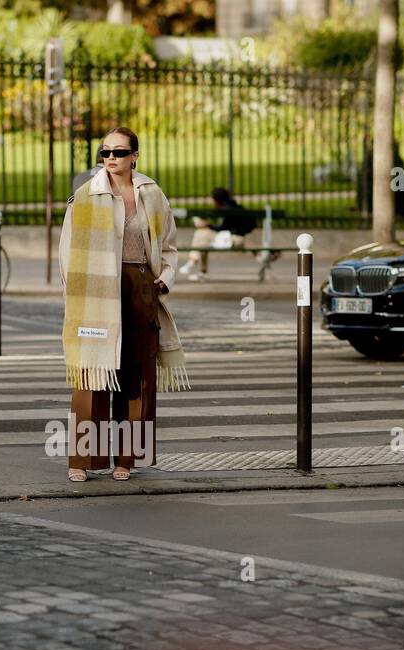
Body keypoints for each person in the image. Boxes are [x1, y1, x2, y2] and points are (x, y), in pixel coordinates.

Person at [59, 126, 189, 484]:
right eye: (105, 152)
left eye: (118, 152)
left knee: (136, 377)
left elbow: (171, 246)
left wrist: (164, 279)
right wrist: (77, 298)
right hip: (97, 294)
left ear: (135, 156)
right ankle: (82, 459)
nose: (111, 159)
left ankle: (126, 460)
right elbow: (68, 254)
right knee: (91, 374)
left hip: (140, 289)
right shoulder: (86, 196)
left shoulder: (152, 194)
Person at [178, 187, 258, 280]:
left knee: (202, 235)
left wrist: (207, 225)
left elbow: (223, 228)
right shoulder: (234, 206)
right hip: (232, 238)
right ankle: (197, 265)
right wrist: (207, 226)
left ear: (217, 200)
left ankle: (194, 261)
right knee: (202, 237)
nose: (212, 202)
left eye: (212, 199)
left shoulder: (228, 210)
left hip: (234, 240)